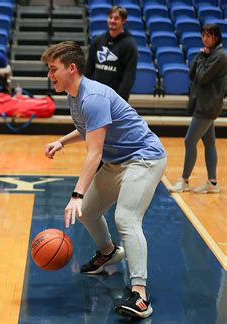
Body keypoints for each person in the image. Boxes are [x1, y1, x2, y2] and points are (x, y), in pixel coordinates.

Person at [41, 41, 166, 319]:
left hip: (144, 158)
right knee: (89, 211)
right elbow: (88, 128)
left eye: (53, 69)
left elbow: (94, 152)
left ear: (71, 68)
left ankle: (140, 295)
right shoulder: (75, 95)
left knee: (126, 218)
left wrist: (76, 194)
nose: (50, 75)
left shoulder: (92, 97)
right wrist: (62, 142)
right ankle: (108, 252)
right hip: (118, 161)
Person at [169, 24, 226, 194]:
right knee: (209, 143)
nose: (205, 39)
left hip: (207, 106)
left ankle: (184, 180)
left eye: (208, 36)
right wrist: (201, 56)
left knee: (189, 140)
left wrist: (201, 58)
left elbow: (202, 77)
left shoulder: (220, 56)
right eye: (203, 35)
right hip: (203, 104)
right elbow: (191, 73)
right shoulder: (208, 54)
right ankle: (213, 182)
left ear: (216, 37)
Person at [85, 6, 138, 101]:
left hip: (115, 98)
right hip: (94, 95)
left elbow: (129, 75)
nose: (112, 21)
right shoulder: (97, 40)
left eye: (116, 18)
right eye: (110, 17)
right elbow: (89, 68)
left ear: (124, 21)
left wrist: (120, 99)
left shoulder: (129, 45)